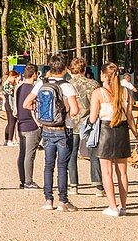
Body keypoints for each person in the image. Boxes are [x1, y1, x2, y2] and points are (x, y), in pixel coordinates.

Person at [23, 53, 81, 212]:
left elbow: (26, 103)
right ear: (65, 68)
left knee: (48, 165)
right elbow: (75, 111)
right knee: (62, 166)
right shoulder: (67, 85)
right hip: (63, 130)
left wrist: (40, 111)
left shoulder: (41, 83)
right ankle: (63, 201)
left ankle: (48, 200)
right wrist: (66, 109)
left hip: (46, 129)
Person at [90, 62, 138, 217]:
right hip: (122, 130)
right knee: (123, 173)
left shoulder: (98, 93)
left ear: (104, 75)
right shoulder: (126, 92)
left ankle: (112, 207)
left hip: (106, 131)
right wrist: (137, 135)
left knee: (107, 172)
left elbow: (93, 118)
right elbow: (130, 117)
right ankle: (123, 206)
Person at [66, 57, 101, 196]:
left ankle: (73, 185)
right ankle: (98, 186)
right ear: (84, 69)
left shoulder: (67, 85)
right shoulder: (93, 84)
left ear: (70, 69)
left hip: (72, 123)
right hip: (90, 123)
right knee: (94, 155)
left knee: (72, 154)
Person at [15, 65, 41, 189]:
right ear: (34, 74)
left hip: (21, 124)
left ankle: (22, 179)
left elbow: (15, 109)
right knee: (30, 155)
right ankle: (28, 181)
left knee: (22, 153)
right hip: (31, 125)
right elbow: (34, 108)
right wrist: (39, 123)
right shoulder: (34, 89)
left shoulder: (18, 88)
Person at [1, 71, 20, 147]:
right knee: (12, 123)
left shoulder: (7, 83)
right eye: (15, 78)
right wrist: (17, 83)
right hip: (10, 104)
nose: (15, 79)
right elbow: (13, 93)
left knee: (9, 123)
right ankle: (10, 140)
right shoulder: (8, 84)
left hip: (8, 104)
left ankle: (7, 139)